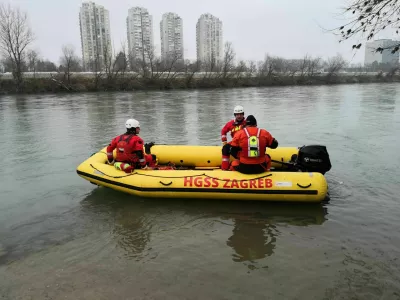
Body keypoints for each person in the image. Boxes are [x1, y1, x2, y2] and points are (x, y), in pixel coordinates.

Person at [221, 105, 247, 170]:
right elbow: (223, 131)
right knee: (225, 148)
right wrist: (224, 141)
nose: (239, 116)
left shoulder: (247, 123)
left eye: (241, 114)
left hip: (245, 144)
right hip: (235, 143)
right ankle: (225, 167)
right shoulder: (231, 124)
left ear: (243, 114)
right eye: (237, 114)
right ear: (235, 115)